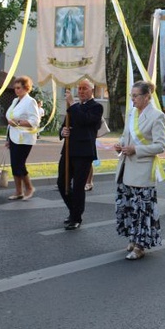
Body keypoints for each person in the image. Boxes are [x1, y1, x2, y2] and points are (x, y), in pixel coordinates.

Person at [114, 81, 165, 260]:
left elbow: (160, 146)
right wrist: (121, 145)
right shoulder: (131, 113)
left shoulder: (157, 116)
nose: (132, 98)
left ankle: (140, 245)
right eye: (132, 95)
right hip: (126, 167)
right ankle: (132, 238)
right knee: (129, 207)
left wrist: (136, 149)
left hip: (143, 170)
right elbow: (125, 135)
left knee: (141, 210)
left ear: (146, 97)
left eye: (135, 95)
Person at [57, 79, 103, 230]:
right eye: (79, 88)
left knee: (78, 186)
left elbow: (84, 120)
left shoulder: (96, 107)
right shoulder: (74, 107)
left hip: (83, 152)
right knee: (62, 183)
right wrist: (62, 132)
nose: (81, 91)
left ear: (92, 90)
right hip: (68, 151)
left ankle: (76, 217)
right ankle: (73, 210)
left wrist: (73, 104)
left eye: (84, 88)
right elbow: (66, 125)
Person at [5, 76, 40, 200]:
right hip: (13, 136)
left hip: (25, 138)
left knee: (19, 164)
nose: (16, 90)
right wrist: (7, 138)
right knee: (15, 164)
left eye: (19, 88)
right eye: (15, 88)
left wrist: (18, 122)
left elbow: (35, 121)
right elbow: (10, 119)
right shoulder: (15, 101)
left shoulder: (30, 101)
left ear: (26, 88)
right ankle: (18, 191)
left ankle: (29, 188)